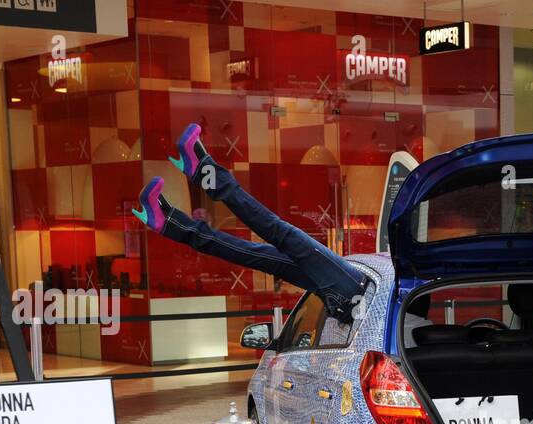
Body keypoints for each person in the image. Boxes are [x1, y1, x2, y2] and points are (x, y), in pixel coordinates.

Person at [133, 123, 370, 323]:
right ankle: (170, 222)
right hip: (353, 304)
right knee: (258, 254)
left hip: (359, 292)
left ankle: (201, 169)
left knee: (278, 232)